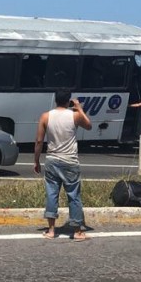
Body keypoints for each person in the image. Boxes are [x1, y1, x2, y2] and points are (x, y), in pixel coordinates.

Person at [34, 90, 92, 241]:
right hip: (70, 160)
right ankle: (78, 231)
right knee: (73, 195)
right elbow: (89, 126)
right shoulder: (75, 115)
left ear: (55, 99)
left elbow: (39, 141)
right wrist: (79, 108)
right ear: (68, 101)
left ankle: (52, 230)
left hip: (52, 159)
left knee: (52, 193)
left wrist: (36, 161)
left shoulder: (45, 116)